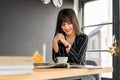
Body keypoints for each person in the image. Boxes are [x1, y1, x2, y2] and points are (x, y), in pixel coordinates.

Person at [52, 8, 95, 80]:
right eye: (63, 24)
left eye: (69, 23)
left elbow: (78, 61)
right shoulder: (59, 38)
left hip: (82, 75)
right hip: (65, 75)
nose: (66, 27)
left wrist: (65, 43)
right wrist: (54, 42)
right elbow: (56, 60)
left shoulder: (83, 38)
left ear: (74, 22)